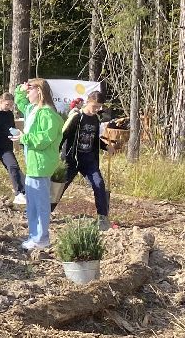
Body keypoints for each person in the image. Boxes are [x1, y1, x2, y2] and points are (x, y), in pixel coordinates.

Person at [14, 78, 62, 250]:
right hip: (34, 163)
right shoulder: (33, 109)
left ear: (39, 91)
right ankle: (35, 236)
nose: (27, 93)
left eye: (30, 90)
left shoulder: (47, 113)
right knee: (32, 204)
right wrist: (20, 90)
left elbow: (44, 139)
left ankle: (41, 239)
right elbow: (20, 102)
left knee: (40, 204)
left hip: (41, 164)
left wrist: (23, 138)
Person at [53, 92, 113, 230]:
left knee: (99, 184)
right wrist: (55, 155)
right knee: (60, 187)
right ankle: (45, 212)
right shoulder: (76, 117)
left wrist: (105, 147)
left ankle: (102, 218)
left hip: (89, 160)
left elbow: (94, 139)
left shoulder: (96, 119)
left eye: (99, 107)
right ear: (88, 102)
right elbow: (62, 136)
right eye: (94, 106)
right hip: (71, 159)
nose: (97, 109)